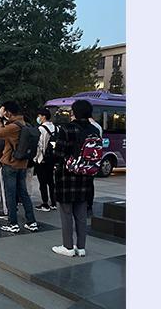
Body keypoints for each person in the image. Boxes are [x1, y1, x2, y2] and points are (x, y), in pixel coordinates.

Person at [52, 100, 100, 257]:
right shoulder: (94, 130)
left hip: (67, 177)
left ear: (74, 113)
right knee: (81, 214)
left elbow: (58, 154)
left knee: (66, 213)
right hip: (86, 177)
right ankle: (81, 247)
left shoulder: (67, 129)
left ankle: (68, 246)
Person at [0, 102, 39, 233]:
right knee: (23, 193)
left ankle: (13, 223)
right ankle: (31, 222)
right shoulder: (24, 124)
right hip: (22, 163)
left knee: (10, 194)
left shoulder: (13, 127)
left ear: (8, 112)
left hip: (10, 164)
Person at [34, 107, 57, 212]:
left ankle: (45, 203)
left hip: (42, 159)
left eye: (39, 116)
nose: (38, 118)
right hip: (52, 158)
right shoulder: (56, 128)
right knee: (51, 181)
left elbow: (40, 145)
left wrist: (36, 158)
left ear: (43, 116)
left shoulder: (41, 129)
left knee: (42, 182)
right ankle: (53, 202)